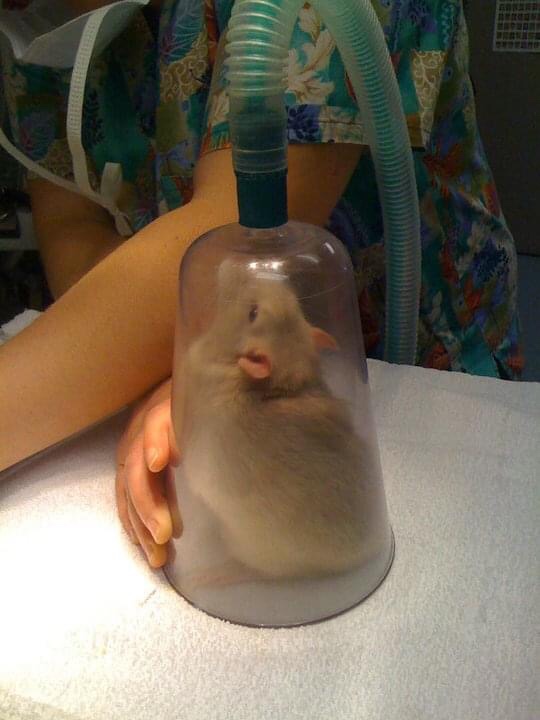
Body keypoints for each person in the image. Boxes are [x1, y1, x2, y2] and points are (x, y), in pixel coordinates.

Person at [0, 0, 522, 567]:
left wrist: (182, 361)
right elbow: (71, 223)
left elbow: (242, 231)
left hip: (415, 376)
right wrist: (145, 363)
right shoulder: (35, 24)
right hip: (218, 348)